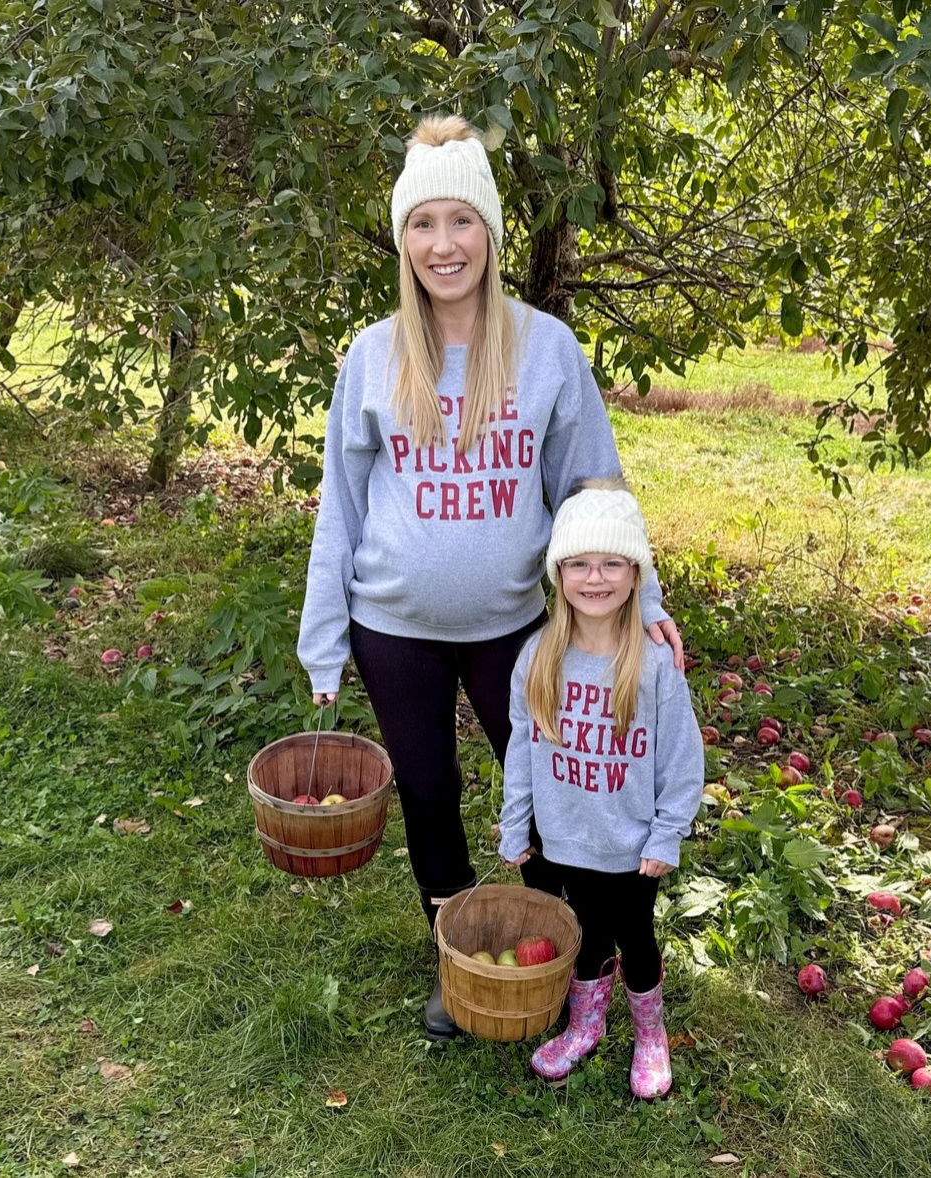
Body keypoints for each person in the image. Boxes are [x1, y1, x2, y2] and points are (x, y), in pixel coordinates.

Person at [297, 113, 682, 1041]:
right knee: (428, 793)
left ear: (491, 233)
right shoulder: (373, 356)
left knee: (546, 785)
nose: (444, 245)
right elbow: (340, 505)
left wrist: (645, 600)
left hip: (516, 626)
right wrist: (324, 639)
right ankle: (457, 952)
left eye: (461, 221)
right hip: (394, 627)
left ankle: (564, 952)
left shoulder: (546, 349)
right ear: (404, 241)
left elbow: (594, 489)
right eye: (423, 225)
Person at [498, 479, 703, 1100]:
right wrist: (516, 822)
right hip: (564, 838)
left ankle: (650, 1034)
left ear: (636, 575)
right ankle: (585, 1025)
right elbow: (522, 749)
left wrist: (667, 833)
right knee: (584, 932)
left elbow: (682, 759)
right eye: (579, 563)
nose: (595, 578)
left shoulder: (655, 666)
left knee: (635, 937)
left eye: (613, 563)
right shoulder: (538, 658)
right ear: (558, 574)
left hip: (631, 844)